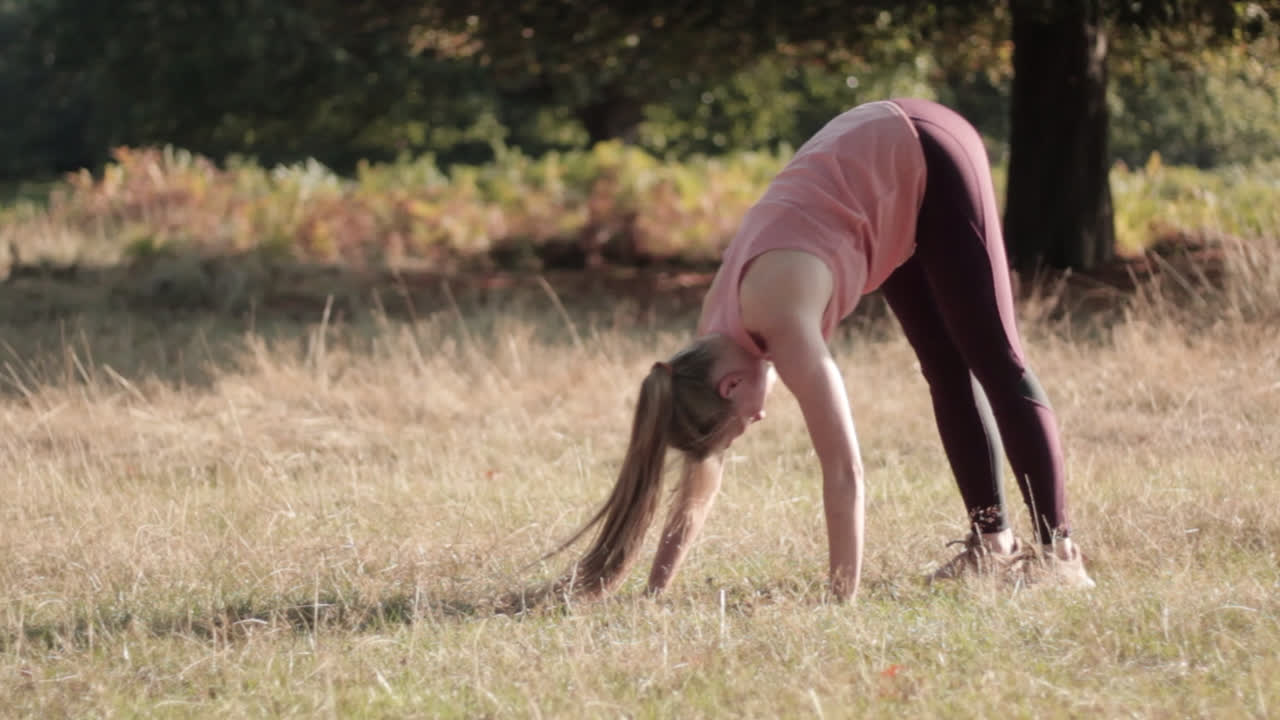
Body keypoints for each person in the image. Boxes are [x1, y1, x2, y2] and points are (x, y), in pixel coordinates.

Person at [549, 98, 1094, 602]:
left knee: (996, 361)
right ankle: (992, 545)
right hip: (879, 184)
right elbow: (701, 472)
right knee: (945, 369)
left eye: (744, 424)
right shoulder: (710, 343)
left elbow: (845, 471)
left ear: (730, 387)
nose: (759, 419)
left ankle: (1060, 557)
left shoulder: (781, 323)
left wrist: (840, 600)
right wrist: (655, 591)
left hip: (924, 147)